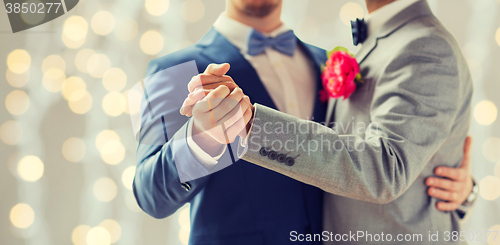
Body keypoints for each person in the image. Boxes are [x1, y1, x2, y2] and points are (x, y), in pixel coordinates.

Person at [137, 0, 476, 244]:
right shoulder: (170, 71)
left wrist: (456, 184)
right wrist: (200, 141)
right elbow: (149, 194)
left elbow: (374, 156)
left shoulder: (326, 61)